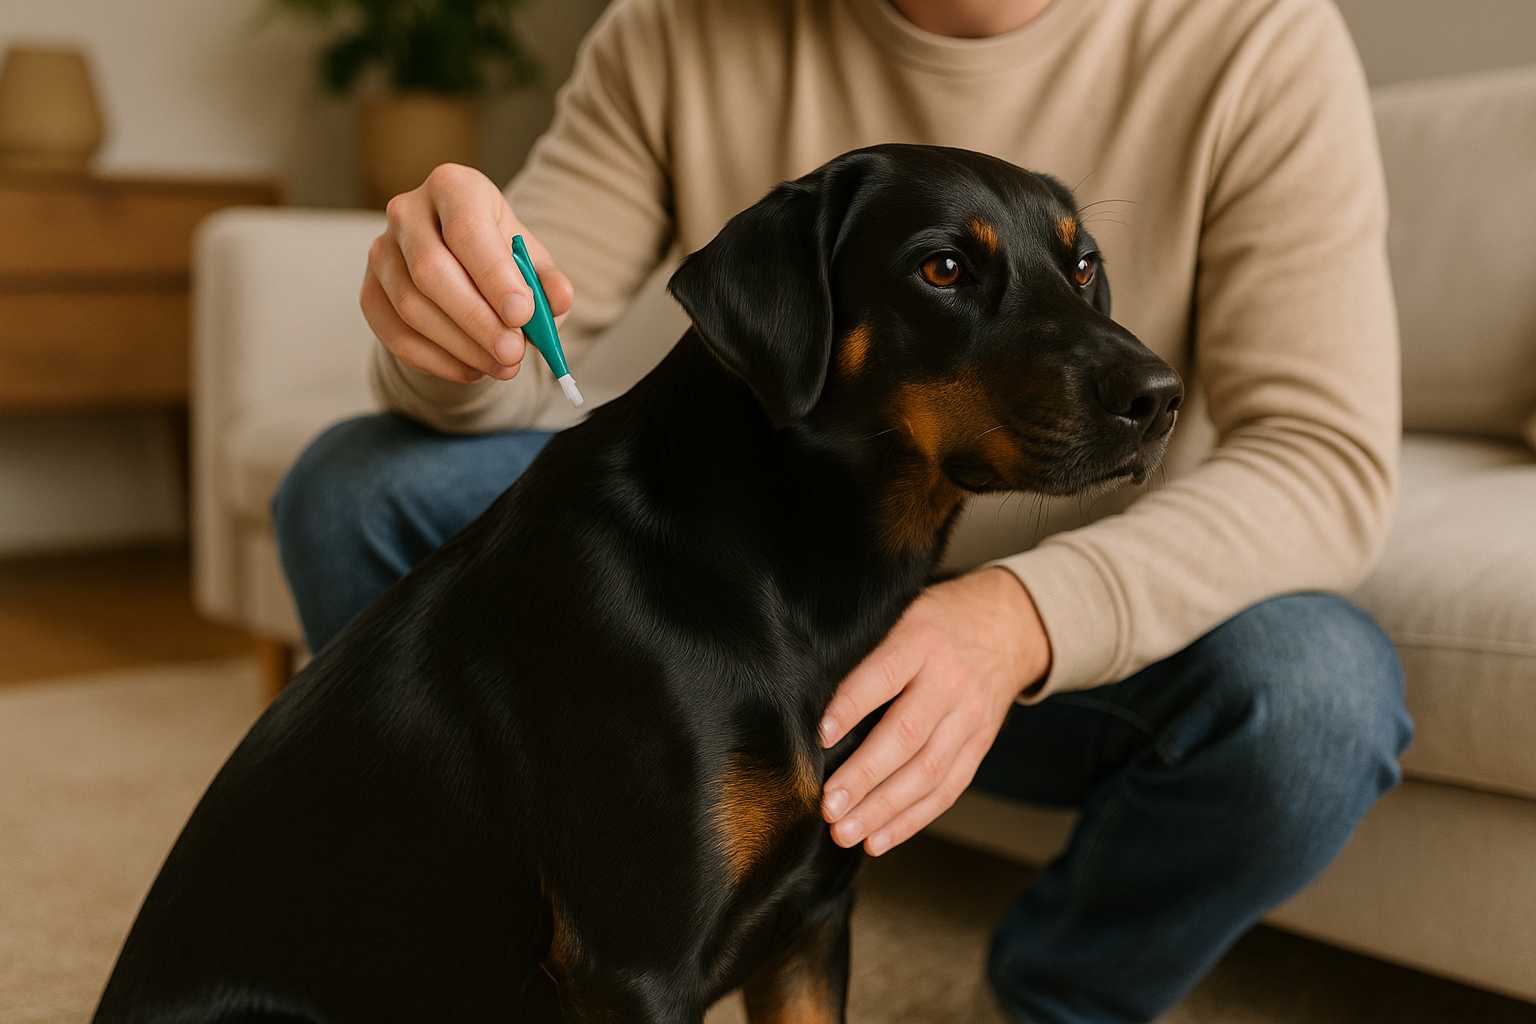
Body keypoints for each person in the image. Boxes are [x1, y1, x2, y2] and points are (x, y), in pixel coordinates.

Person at [273, 0, 1413, 1019]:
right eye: (948, 273)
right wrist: (452, 319)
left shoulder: (1260, 36)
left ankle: (1065, 993)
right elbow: (521, 349)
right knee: (356, 487)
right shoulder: (678, 27)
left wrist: (1019, 616)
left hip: (1070, 646)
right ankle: (525, 907)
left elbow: (1321, 456)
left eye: (1077, 274)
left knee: (1318, 692)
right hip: (750, 586)